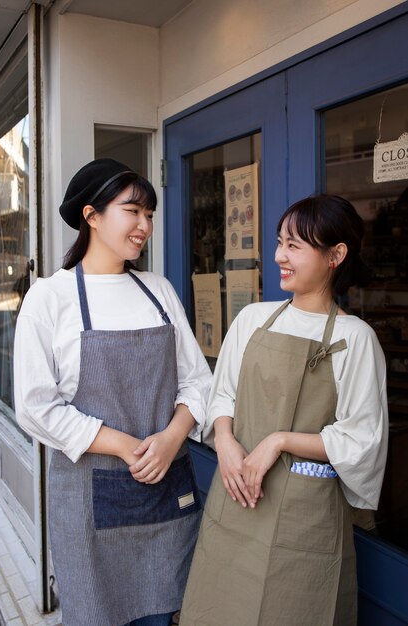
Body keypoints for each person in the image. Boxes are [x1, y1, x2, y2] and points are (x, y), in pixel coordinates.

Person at [13, 158, 212, 626]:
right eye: (133, 211)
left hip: (165, 496)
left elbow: (199, 382)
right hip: (88, 507)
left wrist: (171, 438)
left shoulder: (158, 290)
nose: (145, 225)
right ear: (92, 215)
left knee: (163, 614)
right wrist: (125, 445)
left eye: (149, 214)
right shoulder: (50, 298)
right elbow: (36, 407)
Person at [180, 194, 388, 626]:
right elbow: (223, 396)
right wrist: (224, 440)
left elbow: (360, 439)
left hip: (306, 517)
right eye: (279, 242)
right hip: (235, 497)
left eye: (294, 245)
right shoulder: (253, 318)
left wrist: (278, 441)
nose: (279, 256)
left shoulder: (355, 338)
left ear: (336, 255)